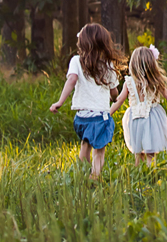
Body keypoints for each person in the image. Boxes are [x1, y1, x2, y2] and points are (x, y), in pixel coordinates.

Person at [48, 22, 124, 180]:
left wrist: (60, 102)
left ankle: (81, 173)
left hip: (82, 117)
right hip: (99, 117)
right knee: (99, 150)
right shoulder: (107, 65)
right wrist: (115, 98)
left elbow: (71, 80)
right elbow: (114, 91)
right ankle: (94, 177)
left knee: (85, 144)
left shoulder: (76, 61)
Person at [112, 45, 167, 165]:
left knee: (138, 152)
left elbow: (119, 100)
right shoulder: (156, 81)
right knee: (150, 152)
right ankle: (150, 173)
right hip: (152, 119)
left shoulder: (129, 82)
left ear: (133, 65)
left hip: (135, 119)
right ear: (152, 64)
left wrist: (108, 113)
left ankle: (139, 174)